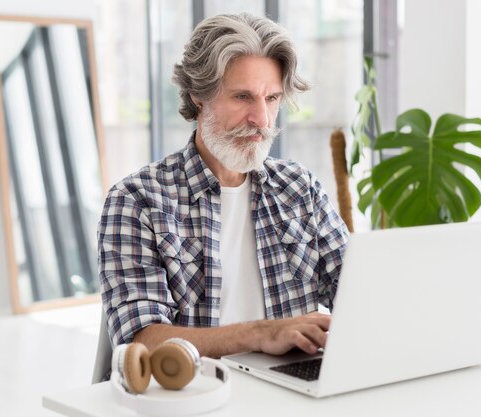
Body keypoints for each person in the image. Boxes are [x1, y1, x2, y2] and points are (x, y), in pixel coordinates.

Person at [98, 12, 348, 360]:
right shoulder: (138, 201)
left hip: (291, 391)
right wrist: (262, 332)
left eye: (272, 98)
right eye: (243, 97)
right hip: (195, 398)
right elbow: (141, 341)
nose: (261, 119)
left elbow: (358, 298)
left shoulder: (299, 189)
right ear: (199, 96)